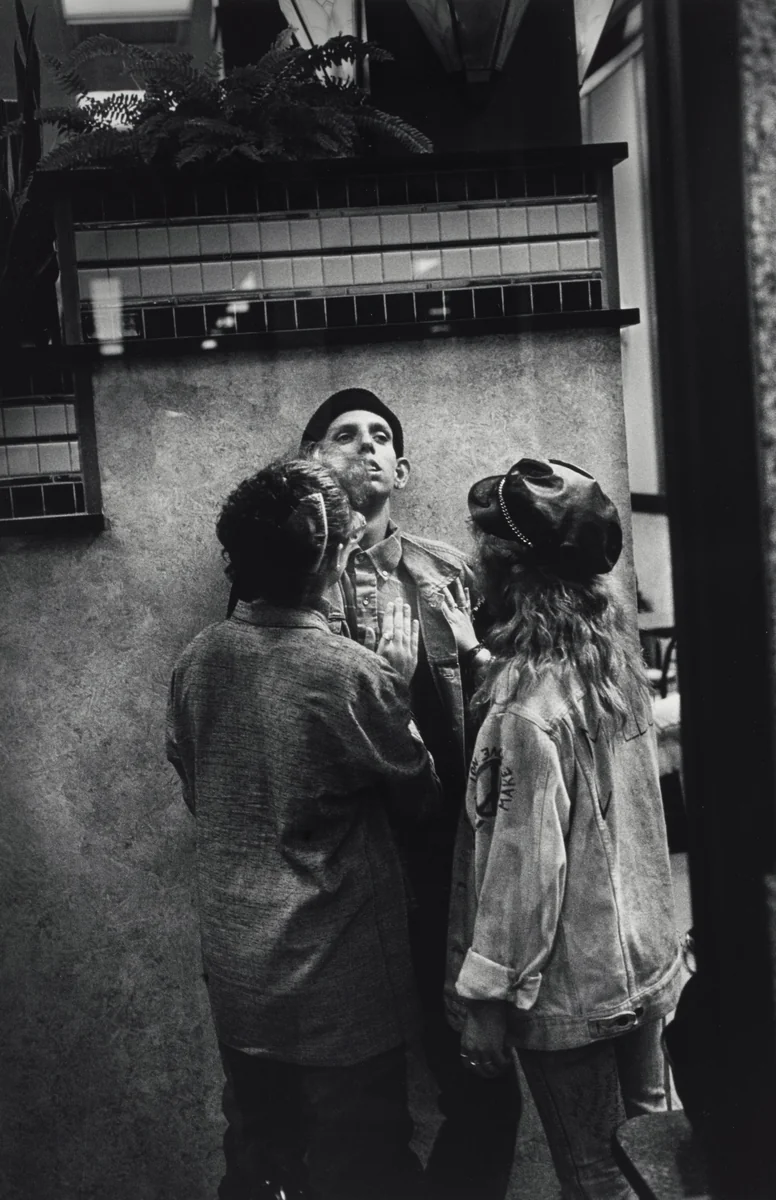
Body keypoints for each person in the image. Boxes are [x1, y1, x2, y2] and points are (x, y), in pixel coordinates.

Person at [167, 459, 439, 1200]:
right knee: (365, 1166)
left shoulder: (199, 659)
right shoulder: (348, 673)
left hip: (239, 977)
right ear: (337, 560)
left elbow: (196, 784)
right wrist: (398, 685)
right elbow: (420, 797)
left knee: (257, 1157)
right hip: (338, 988)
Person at [299, 388, 521, 1200]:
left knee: (480, 1078)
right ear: (311, 464)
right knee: (358, 1098)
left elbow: (511, 696)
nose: (364, 447)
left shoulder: (448, 571)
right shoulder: (293, 586)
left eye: (380, 436)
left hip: (450, 862)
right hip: (348, 878)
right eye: (343, 436)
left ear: (402, 468)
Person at [444, 455, 684, 1200]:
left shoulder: (522, 712)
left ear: (510, 573)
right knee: (657, 1161)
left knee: (596, 1178)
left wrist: (485, 1004)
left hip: (570, 994)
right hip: (644, 964)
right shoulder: (611, 670)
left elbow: (523, 874)